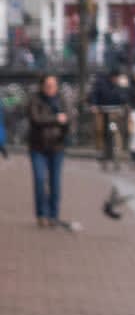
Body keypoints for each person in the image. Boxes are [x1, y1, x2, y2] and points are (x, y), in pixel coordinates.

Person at [26, 75, 70, 229]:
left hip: (57, 147)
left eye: (53, 85)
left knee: (55, 182)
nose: (50, 88)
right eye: (47, 85)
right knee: (39, 179)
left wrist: (66, 124)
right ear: (42, 86)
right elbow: (36, 119)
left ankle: (53, 215)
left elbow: (69, 118)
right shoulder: (35, 100)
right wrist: (57, 119)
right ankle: (41, 214)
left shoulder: (62, 100)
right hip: (38, 147)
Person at [91, 68, 130, 172]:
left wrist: (124, 103)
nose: (115, 79)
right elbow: (95, 94)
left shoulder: (121, 85)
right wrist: (94, 105)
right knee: (100, 130)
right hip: (102, 110)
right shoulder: (102, 83)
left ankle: (118, 154)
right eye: (114, 77)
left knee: (117, 133)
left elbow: (125, 98)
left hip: (115, 111)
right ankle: (100, 150)